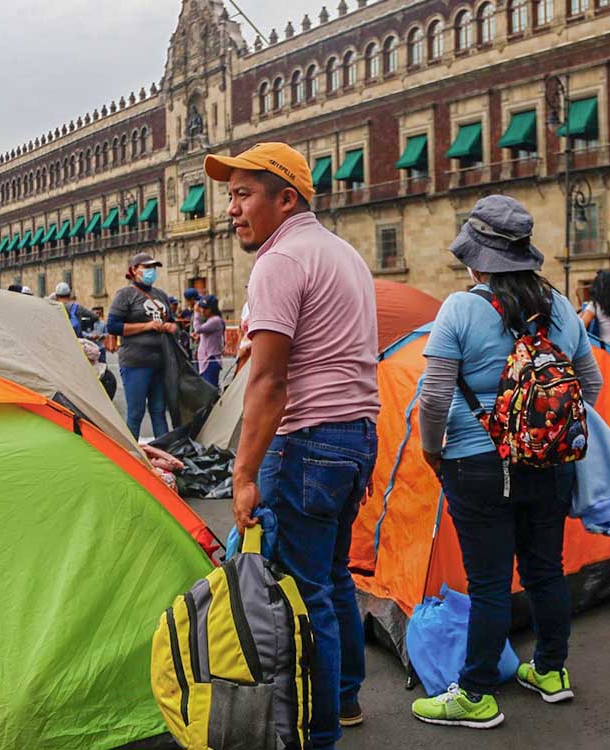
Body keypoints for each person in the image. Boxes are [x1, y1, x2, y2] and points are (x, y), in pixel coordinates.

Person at [206, 142, 379, 748]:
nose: (231, 208)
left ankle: (319, 733)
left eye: (243, 194)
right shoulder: (345, 254)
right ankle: (345, 698)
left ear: (286, 198)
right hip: (358, 438)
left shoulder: (279, 262)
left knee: (303, 601)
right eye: (229, 195)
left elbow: (270, 380)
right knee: (331, 581)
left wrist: (245, 473)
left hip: (307, 442)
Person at [409, 196, 602, 730]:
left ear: (477, 259)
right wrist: (548, 432)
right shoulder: (562, 308)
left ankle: (473, 694)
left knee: (490, 581)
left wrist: (433, 450)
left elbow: (433, 397)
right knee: (545, 570)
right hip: (550, 467)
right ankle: (551, 671)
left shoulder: (460, 309)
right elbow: (592, 386)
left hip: (475, 466)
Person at [106, 252, 176, 439]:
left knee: (159, 411)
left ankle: (166, 451)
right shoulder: (125, 294)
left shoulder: (160, 295)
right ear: (134, 270)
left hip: (160, 362)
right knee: (135, 413)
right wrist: (146, 326)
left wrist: (171, 326)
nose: (151, 271)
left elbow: (174, 320)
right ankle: (131, 457)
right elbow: (113, 326)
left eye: (153, 267)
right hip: (136, 362)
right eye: (146, 267)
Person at [193, 294, 226, 387]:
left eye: (206, 308)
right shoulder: (210, 320)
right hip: (205, 361)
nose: (202, 311)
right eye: (201, 308)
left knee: (210, 391)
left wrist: (196, 313)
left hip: (210, 360)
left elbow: (198, 329)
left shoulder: (215, 320)